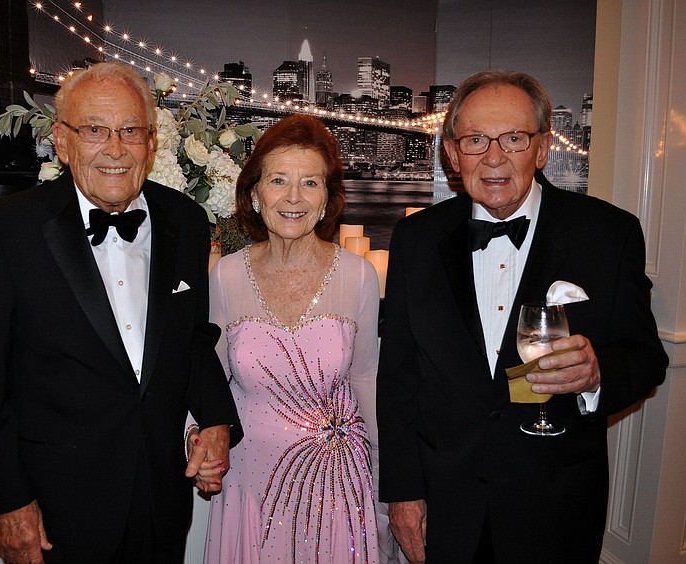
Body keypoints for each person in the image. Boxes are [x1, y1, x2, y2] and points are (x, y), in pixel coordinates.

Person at [377, 70, 668, 564]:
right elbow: (399, 378)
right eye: (475, 140)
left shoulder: (608, 233)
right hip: (447, 502)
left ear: (543, 147)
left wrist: (596, 375)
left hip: (556, 502)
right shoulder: (415, 239)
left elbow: (646, 359)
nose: (494, 157)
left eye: (513, 138)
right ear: (451, 153)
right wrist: (402, 494)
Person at [0, 62, 241, 563]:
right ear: (62, 143)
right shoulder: (9, 228)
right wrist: (6, 504)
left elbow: (193, 338)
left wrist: (216, 419)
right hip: (56, 505)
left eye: (130, 130)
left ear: (151, 143)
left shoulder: (187, 222)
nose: (115, 148)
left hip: (161, 496)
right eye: (94, 130)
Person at [203, 114, 400, 563]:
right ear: (254, 194)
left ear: (328, 198)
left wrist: (389, 478)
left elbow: (367, 378)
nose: (294, 197)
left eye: (310, 183)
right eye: (278, 180)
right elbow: (210, 382)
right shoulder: (226, 276)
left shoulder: (358, 277)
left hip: (338, 485)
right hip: (247, 480)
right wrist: (198, 440)